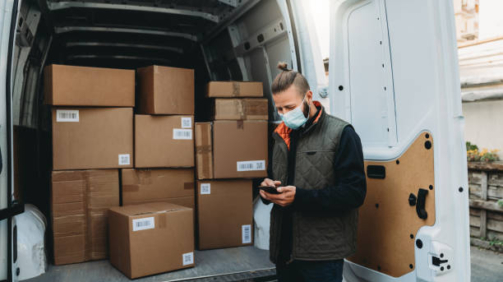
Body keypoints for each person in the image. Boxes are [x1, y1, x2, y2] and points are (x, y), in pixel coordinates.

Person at [259, 62, 367, 282]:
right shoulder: (279, 135)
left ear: (308, 96)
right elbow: (273, 176)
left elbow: (354, 193)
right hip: (284, 251)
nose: (284, 115)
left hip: (322, 256)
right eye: (279, 109)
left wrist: (300, 197)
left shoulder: (341, 133)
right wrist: (266, 191)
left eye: (289, 107)